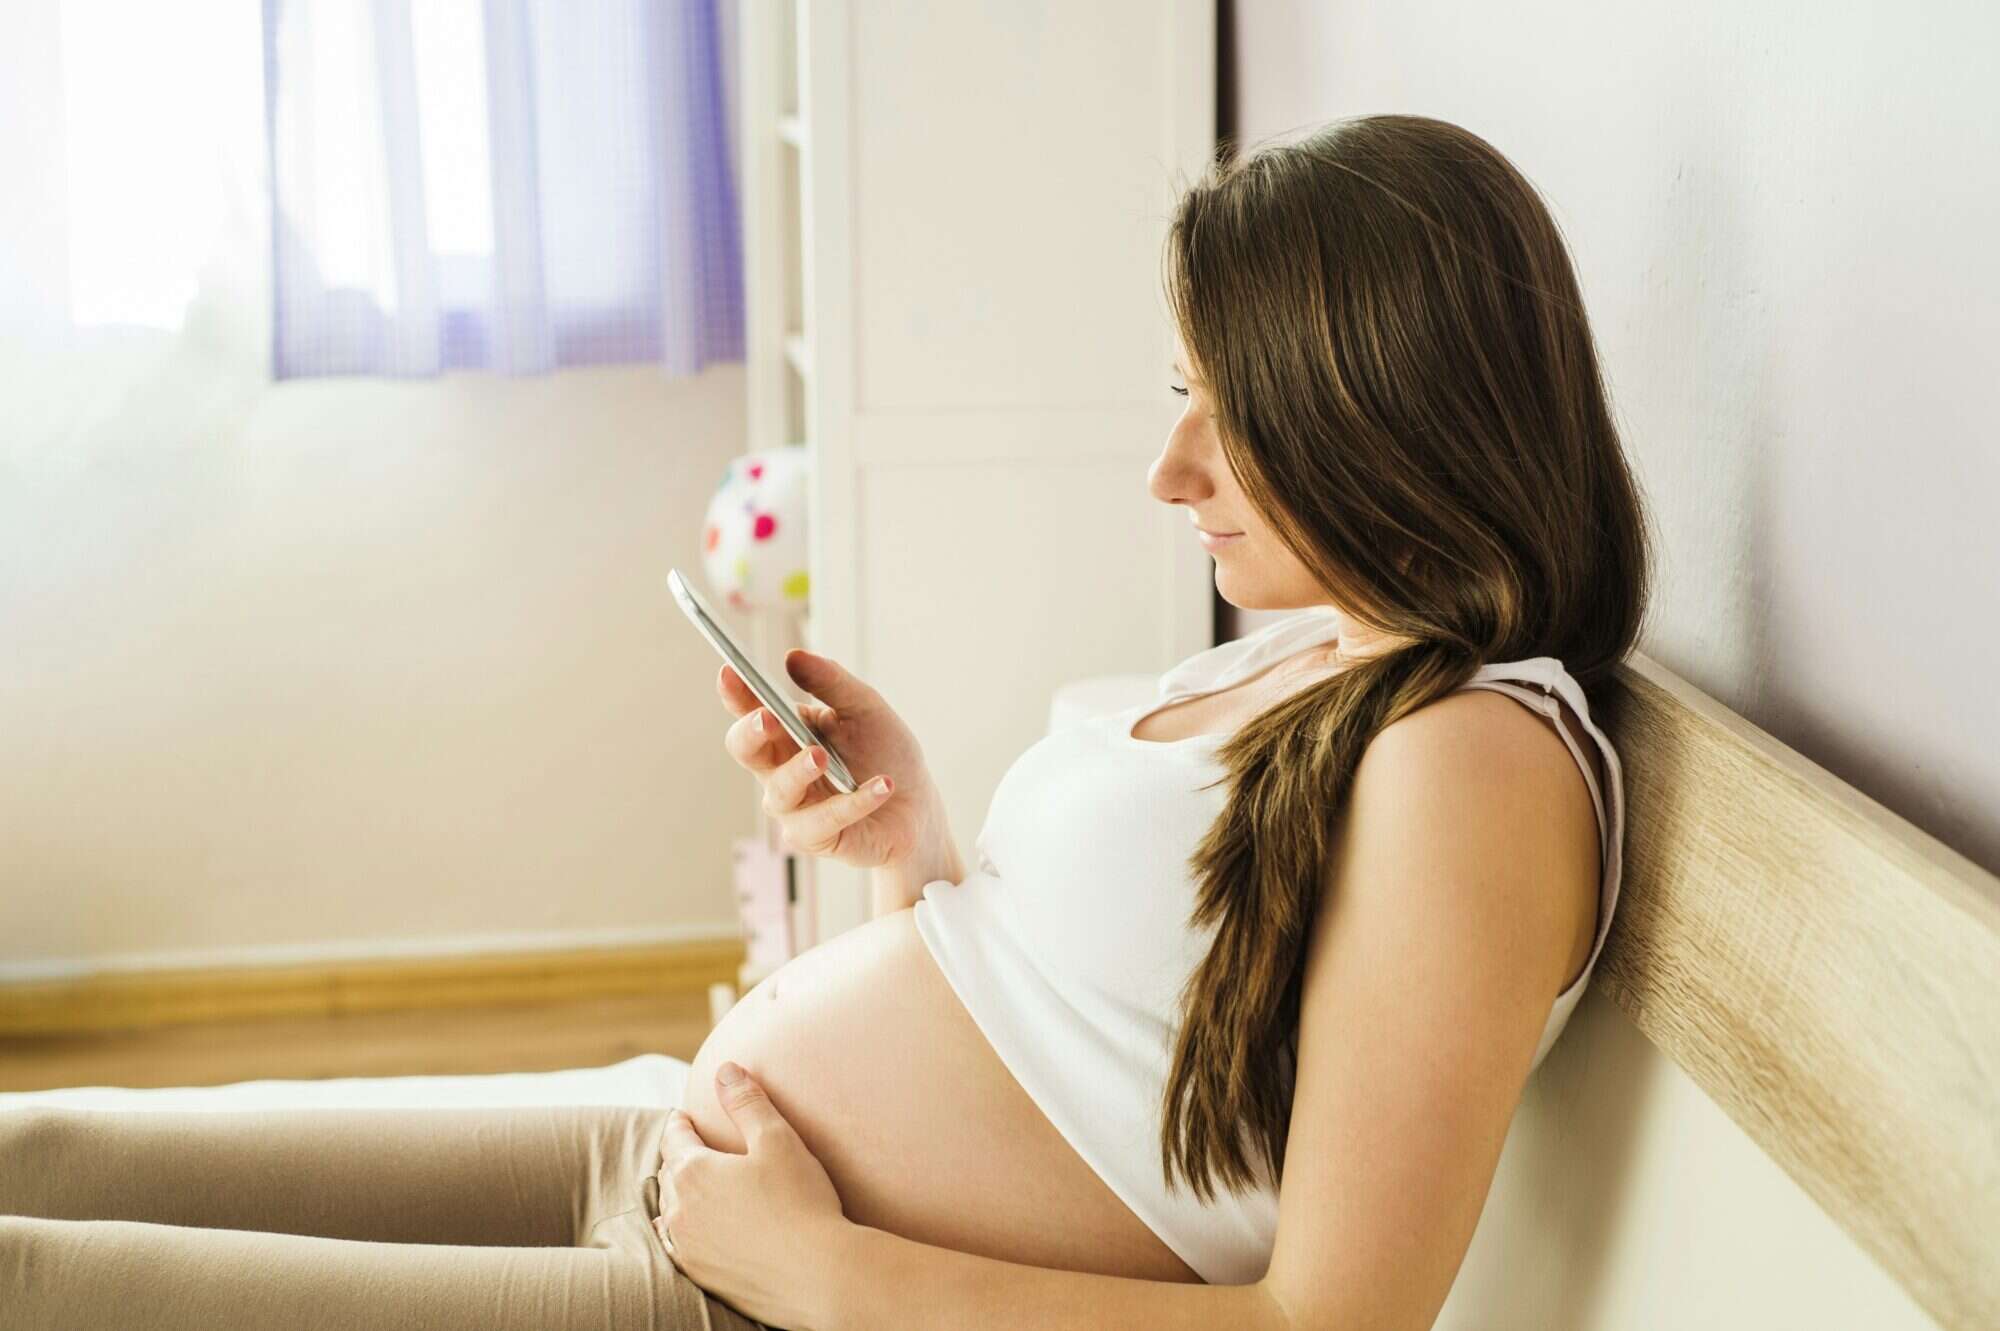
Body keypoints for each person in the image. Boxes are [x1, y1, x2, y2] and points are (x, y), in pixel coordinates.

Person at [1, 112, 1652, 1331]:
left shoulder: (1475, 764)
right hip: (700, 1167)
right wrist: (911, 853)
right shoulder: (1306, 655)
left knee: (41, 1280)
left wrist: (823, 1272)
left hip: (749, 1296)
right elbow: (1099, 1053)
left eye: (1240, 422)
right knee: (50, 1155)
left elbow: (1330, 1323)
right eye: (1179, 403)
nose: (1171, 473)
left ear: (1388, 414)